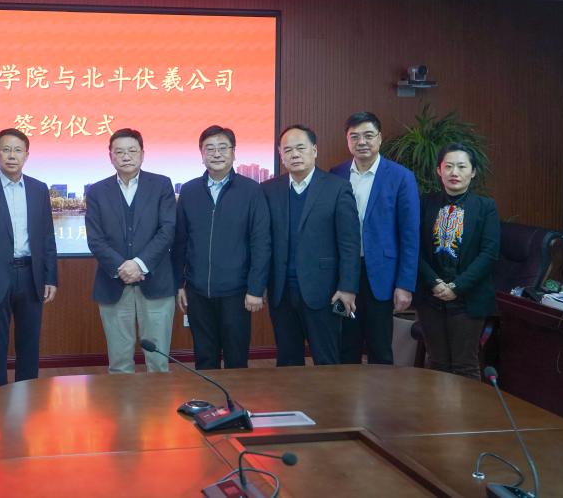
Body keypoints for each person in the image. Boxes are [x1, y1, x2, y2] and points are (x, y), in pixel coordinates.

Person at [0, 128, 58, 392]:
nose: (12, 155)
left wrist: (50, 277)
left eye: (18, 150)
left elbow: (47, 236)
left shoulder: (39, 189)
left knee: (29, 343)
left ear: (27, 155)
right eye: (6, 150)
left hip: (31, 275)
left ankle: (27, 399)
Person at [260, 125, 359, 366]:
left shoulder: (337, 188)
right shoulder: (269, 190)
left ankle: (329, 394)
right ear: (280, 155)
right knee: (287, 361)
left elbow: (349, 244)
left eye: (300, 148)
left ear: (314, 150)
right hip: (281, 291)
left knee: (326, 361)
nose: (294, 154)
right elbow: (263, 241)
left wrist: (347, 287)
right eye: (288, 150)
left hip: (323, 291)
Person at [173, 125, 270, 370]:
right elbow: (180, 241)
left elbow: (261, 242)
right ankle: (208, 398)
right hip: (197, 291)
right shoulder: (189, 191)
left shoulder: (251, 190)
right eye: (210, 148)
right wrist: (179, 284)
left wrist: (256, 288)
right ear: (201, 154)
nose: (216, 154)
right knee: (204, 358)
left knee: (236, 359)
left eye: (223, 148)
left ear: (234, 152)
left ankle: (235, 397)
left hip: (236, 292)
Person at [331, 112, 420, 365]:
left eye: (368, 135)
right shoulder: (336, 174)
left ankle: (381, 393)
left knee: (380, 348)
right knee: (345, 346)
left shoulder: (401, 177)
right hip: (344, 273)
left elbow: (410, 235)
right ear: (347, 140)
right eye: (355, 136)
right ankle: (347, 391)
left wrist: (405, 284)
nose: (362, 142)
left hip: (381, 275)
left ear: (379, 138)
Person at [85, 128, 176, 373]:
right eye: (119, 152)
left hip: (156, 283)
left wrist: (139, 264)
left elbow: (168, 230)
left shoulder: (161, 185)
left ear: (142, 154)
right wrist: (122, 268)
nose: (126, 156)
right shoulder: (97, 191)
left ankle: (157, 400)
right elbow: (95, 239)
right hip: (113, 283)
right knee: (119, 363)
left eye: (132, 151)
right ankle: (121, 401)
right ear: (110, 156)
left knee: (158, 361)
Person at [416, 143, 500, 380]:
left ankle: (466, 408)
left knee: (465, 366)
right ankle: (436, 407)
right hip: (431, 296)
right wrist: (433, 282)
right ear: (439, 170)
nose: (454, 172)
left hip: (468, 298)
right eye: (448, 166)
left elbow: (489, 254)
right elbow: (414, 248)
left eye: (462, 167)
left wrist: (457, 287)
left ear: (472, 172)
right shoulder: (425, 203)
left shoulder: (486, 207)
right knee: (436, 362)